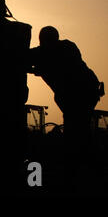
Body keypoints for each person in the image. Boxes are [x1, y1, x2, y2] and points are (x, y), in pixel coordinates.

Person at [29, 26, 102, 185]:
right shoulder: (64, 48)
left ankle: (77, 174)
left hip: (82, 95)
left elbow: (30, 57)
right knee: (79, 132)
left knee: (76, 133)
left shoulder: (62, 49)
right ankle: (83, 170)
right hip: (86, 93)